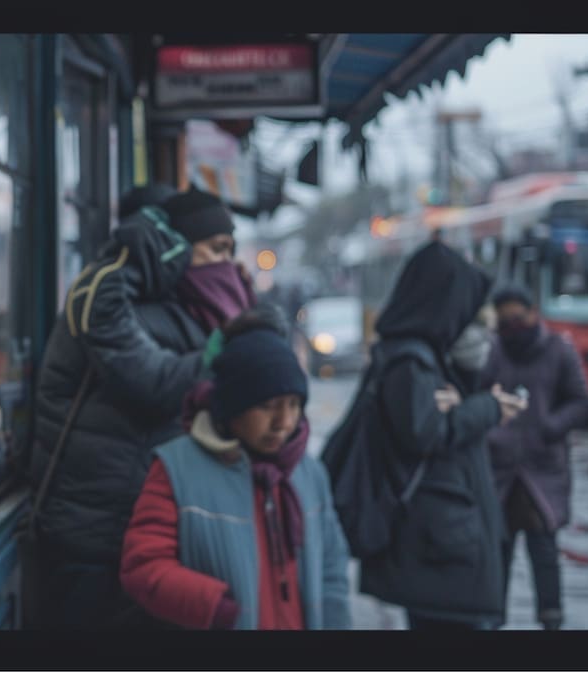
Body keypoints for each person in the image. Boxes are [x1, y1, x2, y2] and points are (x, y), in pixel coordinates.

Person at [28, 185, 254, 629]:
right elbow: (156, 385)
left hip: (155, 528)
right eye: (215, 249)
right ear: (175, 248)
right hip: (92, 531)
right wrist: (134, 252)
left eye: (231, 250)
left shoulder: (190, 308)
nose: (225, 264)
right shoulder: (116, 304)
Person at [119, 306, 351, 630]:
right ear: (232, 407)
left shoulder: (308, 474)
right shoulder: (177, 470)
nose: (283, 422)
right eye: (267, 406)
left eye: (293, 404)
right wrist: (214, 607)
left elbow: (332, 570)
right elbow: (143, 565)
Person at [358, 241, 527, 630]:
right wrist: (487, 408)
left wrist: (470, 401)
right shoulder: (411, 361)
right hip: (439, 545)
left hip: (445, 538)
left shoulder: (424, 356)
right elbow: (425, 433)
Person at [482, 284, 588, 630]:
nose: (512, 327)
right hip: (500, 470)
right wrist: (491, 430)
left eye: (517, 318)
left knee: (544, 550)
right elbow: (477, 396)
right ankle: (492, 619)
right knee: (497, 552)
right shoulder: (494, 351)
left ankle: (550, 618)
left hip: (542, 470)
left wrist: (549, 427)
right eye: (504, 321)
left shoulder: (559, 349)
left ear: (532, 313)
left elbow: (580, 401)